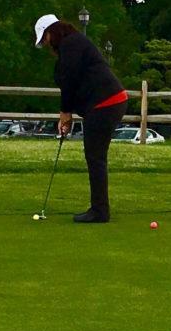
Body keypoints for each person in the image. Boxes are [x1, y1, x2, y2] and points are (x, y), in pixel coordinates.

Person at [34, 12, 126, 223]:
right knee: (95, 156)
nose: (47, 44)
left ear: (52, 32)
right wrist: (68, 113)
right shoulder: (74, 43)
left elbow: (70, 79)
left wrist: (65, 112)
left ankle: (100, 211)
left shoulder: (71, 44)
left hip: (106, 102)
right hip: (109, 102)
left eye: (45, 38)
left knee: (95, 156)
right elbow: (74, 81)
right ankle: (100, 209)